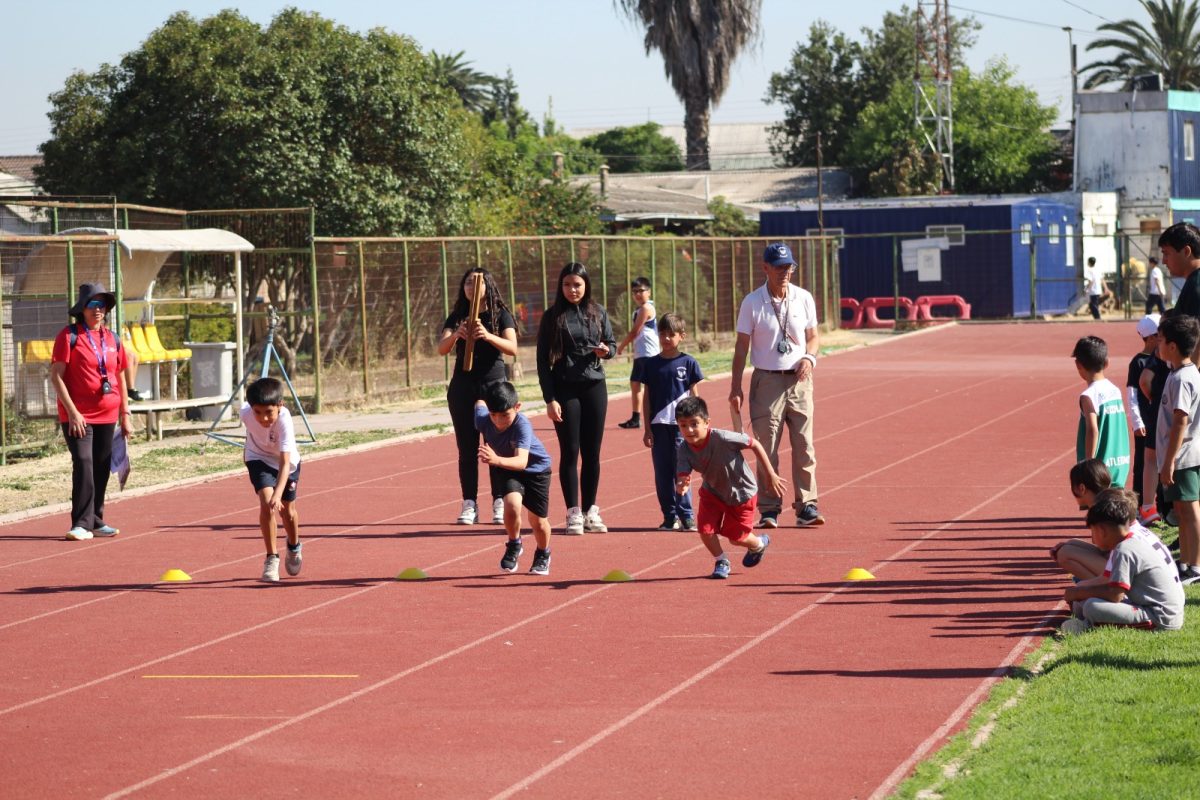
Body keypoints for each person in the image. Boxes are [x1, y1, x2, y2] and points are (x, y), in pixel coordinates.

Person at [729, 242, 823, 528]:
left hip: (799, 379)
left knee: (804, 445)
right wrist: (735, 387)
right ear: (765, 268)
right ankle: (769, 508)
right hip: (766, 380)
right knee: (766, 448)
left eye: (789, 267)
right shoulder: (752, 302)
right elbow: (741, 347)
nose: (785, 272)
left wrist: (809, 357)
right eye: (779, 267)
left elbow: (814, 337)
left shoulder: (804, 298)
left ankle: (807, 504)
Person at [536, 262, 617, 535]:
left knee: (592, 453)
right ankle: (573, 513)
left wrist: (606, 351)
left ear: (586, 286)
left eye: (578, 285)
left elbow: (612, 345)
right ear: (561, 286)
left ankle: (590, 510)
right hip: (564, 389)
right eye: (568, 284)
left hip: (595, 387)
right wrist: (550, 398)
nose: (573, 290)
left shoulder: (598, 312)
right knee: (570, 451)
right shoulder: (552, 317)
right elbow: (541, 362)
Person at [49, 283, 132, 541]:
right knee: (83, 462)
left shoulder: (112, 338)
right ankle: (80, 523)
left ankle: (95, 519)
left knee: (101, 465)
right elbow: (56, 376)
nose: (98, 310)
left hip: (108, 413)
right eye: (93, 304)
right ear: (83, 308)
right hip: (78, 415)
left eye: (102, 305)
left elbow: (119, 376)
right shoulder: (69, 335)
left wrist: (125, 414)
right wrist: (73, 412)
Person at [438, 267, 519, 526]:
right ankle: (469, 502)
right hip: (463, 386)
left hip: (493, 384)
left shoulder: (500, 315)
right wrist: (457, 337)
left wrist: (488, 335)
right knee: (467, 448)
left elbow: (512, 348)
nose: (472, 287)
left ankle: (498, 500)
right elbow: (441, 348)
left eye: (477, 282)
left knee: (494, 445)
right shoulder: (457, 316)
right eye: (467, 283)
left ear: (488, 286)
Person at [674, 396, 784, 579]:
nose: (689, 430)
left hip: (741, 493)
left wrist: (770, 474)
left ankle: (758, 544)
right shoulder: (684, 448)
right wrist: (682, 484)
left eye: (694, 424)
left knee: (736, 538)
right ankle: (721, 561)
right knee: (705, 530)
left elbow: (754, 444)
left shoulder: (723, 438)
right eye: (683, 425)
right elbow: (683, 474)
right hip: (713, 492)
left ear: (707, 422)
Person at [1060, 488, 1184, 634]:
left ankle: (1087, 626)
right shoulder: (1128, 542)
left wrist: (1079, 593)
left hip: (1160, 616)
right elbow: (1108, 584)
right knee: (1082, 603)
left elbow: (1115, 594)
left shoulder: (1125, 549)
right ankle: (1088, 620)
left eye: (1092, 531)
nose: (1092, 538)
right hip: (1153, 605)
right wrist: (1079, 593)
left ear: (1102, 530)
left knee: (1091, 607)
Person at [632, 313, 704, 530]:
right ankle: (668, 515)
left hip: (682, 429)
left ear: (681, 336)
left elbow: (695, 396)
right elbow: (646, 397)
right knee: (662, 474)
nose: (665, 339)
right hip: (658, 427)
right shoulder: (651, 365)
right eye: (662, 334)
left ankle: (687, 515)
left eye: (671, 334)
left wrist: (698, 425)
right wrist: (647, 429)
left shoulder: (689, 362)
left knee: (681, 472)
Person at [475, 382, 553, 575]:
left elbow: (521, 462)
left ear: (517, 407)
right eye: (494, 415)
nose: (498, 421)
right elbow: (479, 403)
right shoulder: (483, 419)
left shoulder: (522, 425)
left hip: (536, 470)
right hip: (507, 468)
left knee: (538, 522)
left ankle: (543, 553)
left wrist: (495, 459)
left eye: (505, 415)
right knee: (511, 504)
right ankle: (514, 543)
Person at [1050, 462, 1158, 582]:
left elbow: (1109, 550)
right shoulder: (1110, 501)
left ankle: (1102, 588)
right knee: (1070, 545)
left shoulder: (1102, 511)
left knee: (1065, 554)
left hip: (1134, 572)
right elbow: (1107, 549)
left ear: (1081, 488)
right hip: (1142, 563)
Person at [241, 377, 303, 583]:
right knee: (267, 505)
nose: (263, 418)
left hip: (286, 464)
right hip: (258, 458)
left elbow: (285, 463)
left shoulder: (285, 421)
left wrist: (278, 493)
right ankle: (271, 558)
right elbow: (249, 434)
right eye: (258, 412)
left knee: (288, 512)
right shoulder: (245, 413)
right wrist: (248, 457)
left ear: (280, 406)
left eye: (269, 413)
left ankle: (294, 546)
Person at [1155, 314, 1200, 584]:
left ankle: (1194, 566)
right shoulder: (1180, 374)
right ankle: (1186, 561)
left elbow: (1181, 420)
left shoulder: (1183, 378)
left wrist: (1169, 460)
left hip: (1183, 457)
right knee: (1182, 511)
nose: (1158, 345)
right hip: (1178, 456)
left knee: (1190, 509)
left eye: (1160, 340)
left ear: (1172, 346)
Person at [1072, 335, 1130, 489]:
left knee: (1099, 507)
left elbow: (1092, 429)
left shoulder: (1089, 396)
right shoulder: (1115, 390)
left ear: (1078, 365)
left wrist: (1088, 465)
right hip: (1119, 462)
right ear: (1107, 363)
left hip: (1100, 469)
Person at [1126, 314, 1161, 519]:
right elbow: (1132, 394)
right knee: (1142, 465)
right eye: (1159, 335)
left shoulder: (1162, 360)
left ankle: (1158, 505)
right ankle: (1138, 506)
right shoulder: (1138, 363)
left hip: (1159, 420)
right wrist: (1137, 421)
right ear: (1149, 338)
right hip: (1145, 423)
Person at [616, 276, 660, 429]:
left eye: (641, 291)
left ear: (649, 292)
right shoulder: (640, 309)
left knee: (649, 387)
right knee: (635, 384)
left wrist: (620, 347)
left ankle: (656, 416)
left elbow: (635, 332)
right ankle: (636, 418)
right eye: (635, 292)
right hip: (641, 354)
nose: (638, 294)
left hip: (649, 353)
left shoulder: (646, 308)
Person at [1160, 223, 1200, 329]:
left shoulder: (1195, 287)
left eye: (1166, 253)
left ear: (1186, 251)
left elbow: (1194, 340)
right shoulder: (1193, 282)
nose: (1163, 261)